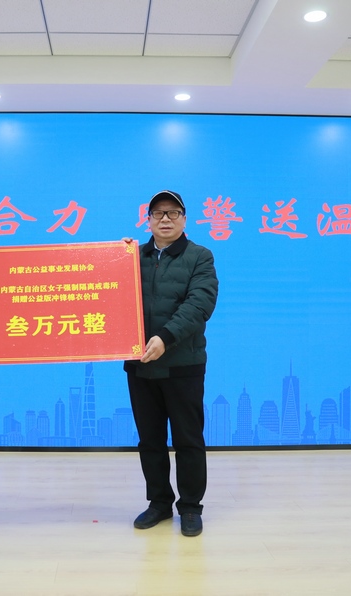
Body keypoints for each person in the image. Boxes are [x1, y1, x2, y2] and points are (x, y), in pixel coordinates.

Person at [124, 189, 218, 537]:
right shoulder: (132, 256)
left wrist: (165, 337)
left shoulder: (200, 256)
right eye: (158, 213)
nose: (165, 219)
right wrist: (113, 257)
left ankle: (190, 507)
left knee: (188, 439)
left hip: (183, 364)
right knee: (149, 439)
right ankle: (159, 503)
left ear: (184, 219)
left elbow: (200, 304)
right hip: (140, 364)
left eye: (173, 212)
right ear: (147, 220)